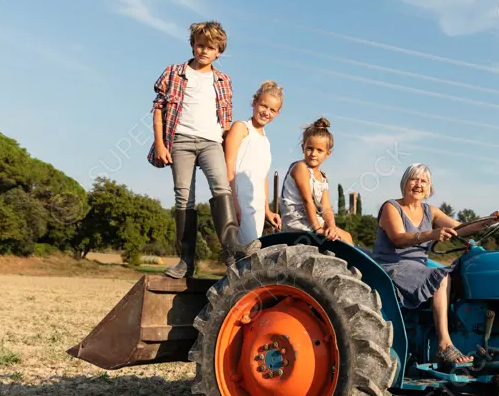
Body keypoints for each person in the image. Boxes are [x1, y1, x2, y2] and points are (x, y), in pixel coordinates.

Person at [148, 20, 257, 278]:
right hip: (181, 141)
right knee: (184, 198)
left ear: (219, 52)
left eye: (210, 47)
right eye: (199, 45)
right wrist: (162, 144)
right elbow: (158, 110)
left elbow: (226, 120)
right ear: (192, 46)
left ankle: (231, 250)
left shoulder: (223, 81)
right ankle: (186, 262)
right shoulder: (173, 73)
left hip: (211, 142)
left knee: (222, 187)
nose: (204, 51)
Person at [374, 163, 499, 367]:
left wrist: (489, 221)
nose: (418, 184)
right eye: (414, 179)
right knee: (442, 276)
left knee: (458, 272)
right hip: (392, 265)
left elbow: (460, 229)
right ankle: (444, 344)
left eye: (423, 181)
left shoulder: (430, 211)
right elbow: (399, 238)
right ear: (405, 183)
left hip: (418, 265)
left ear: (429, 188)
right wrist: (432, 234)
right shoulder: (391, 207)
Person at [224, 81, 284, 245]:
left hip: (256, 207)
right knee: (246, 254)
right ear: (254, 102)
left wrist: (266, 210)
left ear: (278, 113)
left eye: (272, 110)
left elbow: (262, 177)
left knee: (251, 256)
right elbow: (228, 164)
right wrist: (233, 203)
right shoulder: (241, 128)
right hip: (240, 203)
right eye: (264, 106)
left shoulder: (266, 141)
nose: (267, 112)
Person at [278, 117, 353, 244]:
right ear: (303, 148)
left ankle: (352, 264)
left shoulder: (323, 177)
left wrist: (332, 226)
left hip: (312, 219)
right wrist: (317, 228)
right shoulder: (300, 168)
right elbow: (307, 201)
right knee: (336, 241)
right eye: (310, 148)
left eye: (319, 150)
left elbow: (326, 208)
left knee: (347, 236)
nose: (313, 153)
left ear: (327, 154)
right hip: (297, 220)